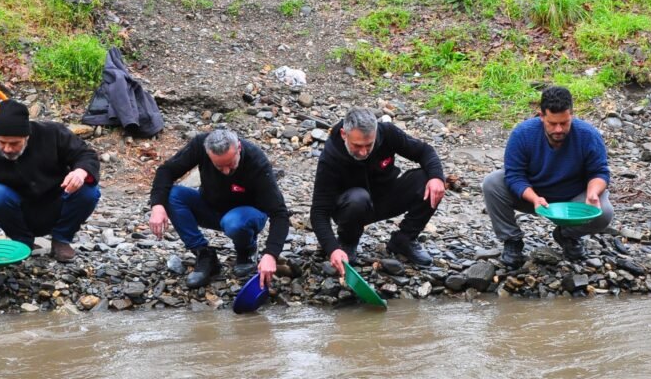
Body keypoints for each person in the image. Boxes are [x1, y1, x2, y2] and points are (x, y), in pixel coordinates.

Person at [482, 86, 614, 269]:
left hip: (573, 199)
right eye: (552, 123)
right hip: (535, 194)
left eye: (564, 123)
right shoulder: (523, 134)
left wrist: (593, 193)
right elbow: (515, 175)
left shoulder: (587, 135)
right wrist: (534, 198)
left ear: (572, 116)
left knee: (604, 213)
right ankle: (512, 241)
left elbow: (599, 172)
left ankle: (567, 235)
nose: (559, 129)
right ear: (541, 116)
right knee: (492, 183)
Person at [0, 100, 101, 262]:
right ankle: (22, 243)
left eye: (14, 143)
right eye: (2, 142)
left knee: (89, 190)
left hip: (57, 204)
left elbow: (86, 155)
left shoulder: (52, 133)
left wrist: (80, 172)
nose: (7, 149)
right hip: (18, 212)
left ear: (27, 136)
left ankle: (61, 239)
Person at [149, 128, 289, 290]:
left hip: (246, 216)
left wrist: (270, 254)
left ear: (239, 149)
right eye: (219, 167)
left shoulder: (256, 161)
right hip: (211, 207)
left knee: (233, 222)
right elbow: (166, 171)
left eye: (230, 165)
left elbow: (279, 213)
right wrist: (157, 205)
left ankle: (246, 250)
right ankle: (205, 255)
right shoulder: (199, 145)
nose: (226, 172)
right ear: (208, 154)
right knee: (172, 195)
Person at [310, 108, 446, 275]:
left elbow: (425, 152)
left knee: (430, 180)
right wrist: (332, 249)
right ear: (344, 134)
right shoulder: (330, 156)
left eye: (369, 145)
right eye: (357, 146)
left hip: (385, 197)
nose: (364, 152)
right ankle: (347, 243)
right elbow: (318, 212)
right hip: (351, 208)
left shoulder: (387, 133)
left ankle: (404, 240)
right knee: (358, 199)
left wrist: (437, 178)